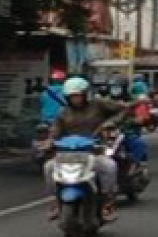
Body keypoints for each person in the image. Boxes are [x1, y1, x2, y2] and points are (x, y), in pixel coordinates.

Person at [46, 77, 126, 220]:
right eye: (72, 96)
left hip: (94, 151)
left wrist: (110, 123)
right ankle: (55, 202)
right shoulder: (63, 112)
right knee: (49, 167)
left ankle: (107, 203)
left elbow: (123, 110)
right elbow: (55, 131)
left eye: (78, 95)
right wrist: (50, 141)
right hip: (68, 155)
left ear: (85, 94)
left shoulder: (99, 105)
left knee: (109, 166)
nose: (75, 99)